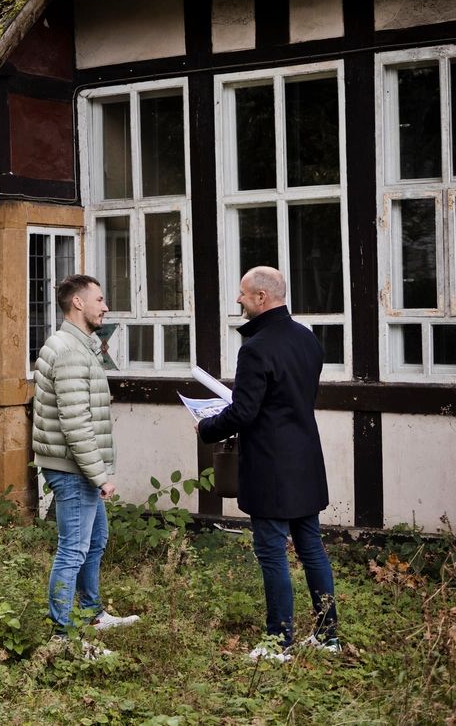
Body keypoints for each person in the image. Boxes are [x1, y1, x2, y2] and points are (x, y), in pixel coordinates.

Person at [196, 266, 339, 661]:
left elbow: (243, 412)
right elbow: (290, 399)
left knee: (272, 553)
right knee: (312, 548)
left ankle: (279, 643)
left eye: (243, 294)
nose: (238, 300)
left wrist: (206, 426)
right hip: (306, 457)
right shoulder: (307, 339)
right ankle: (328, 636)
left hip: (271, 465)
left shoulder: (256, 347)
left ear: (262, 297)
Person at [33, 274, 140, 641]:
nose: (105, 307)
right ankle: (61, 636)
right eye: (99, 299)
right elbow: (75, 422)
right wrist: (100, 476)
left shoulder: (82, 347)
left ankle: (91, 612)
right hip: (74, 469)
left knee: (95, 541)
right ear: (78, 303)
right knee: (73, 550)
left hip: (79, 468)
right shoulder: (67, 351)